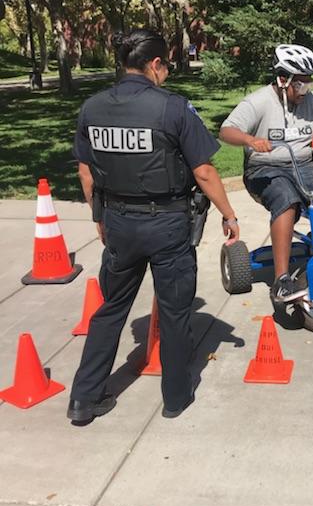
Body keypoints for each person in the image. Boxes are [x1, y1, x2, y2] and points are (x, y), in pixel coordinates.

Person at [68, 29, 240, 423]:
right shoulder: (173, 108)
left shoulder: (92, 108)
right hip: (166, 224)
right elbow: (204, 170)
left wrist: (99, 217)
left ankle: (84, 399)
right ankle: (176, 398)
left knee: (110, 309)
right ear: (157, 64)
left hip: (119, 223)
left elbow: (85, 170)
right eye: (166, 67)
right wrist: (229, 215)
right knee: (176, 311)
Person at [219, 44, 313, 303]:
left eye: (309, 84)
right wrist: (250, 139)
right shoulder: (257, 102)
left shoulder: (311, 100)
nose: (306, 90)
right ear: (283, 79)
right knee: (286, 199)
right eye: (300, 84)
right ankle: (281, 281)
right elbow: (226, 131)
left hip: (304, 164)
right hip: (265, 169)